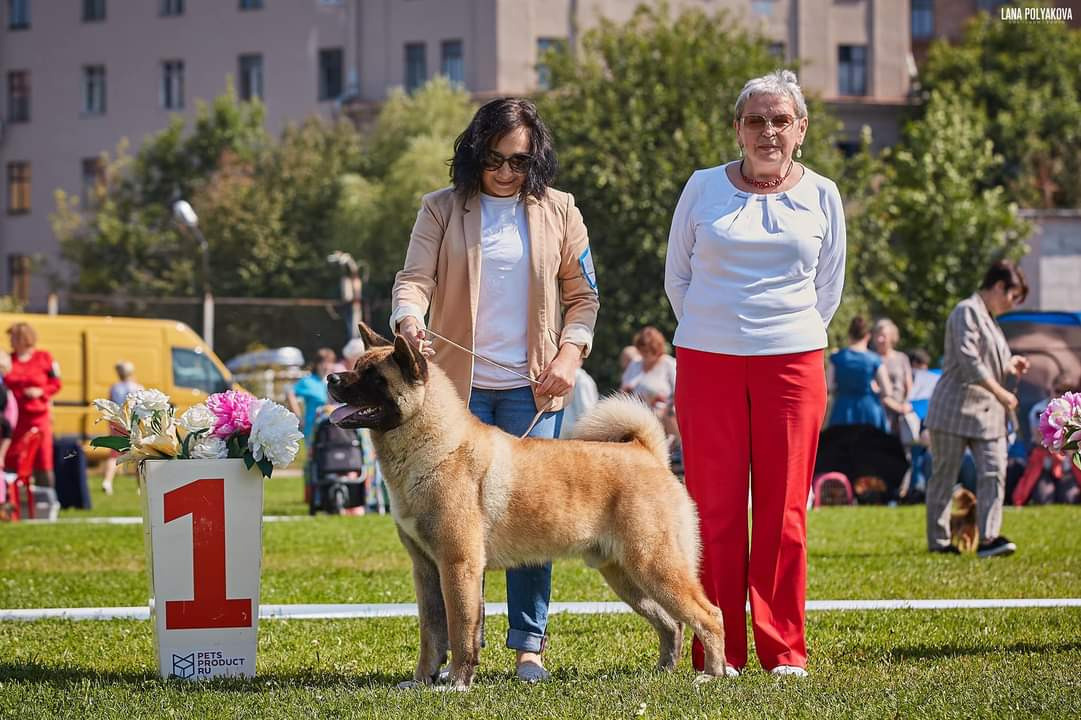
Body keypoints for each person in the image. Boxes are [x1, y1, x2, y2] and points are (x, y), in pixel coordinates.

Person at [392, 97, 599, 681]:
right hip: (457, 397)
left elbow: (585, 298)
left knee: (535, 524)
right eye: (494, 160)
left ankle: (528, 645)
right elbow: (414, 281)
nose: (507, 172)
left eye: (520, 162)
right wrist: (409, 320)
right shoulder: (440, 209)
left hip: (533, 392)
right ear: (473, 154)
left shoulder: (563, 211)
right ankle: (457, 651)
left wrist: (570, 353)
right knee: (450, 532)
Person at [664, 70, 845, 678]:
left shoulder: (823, 194)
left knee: (784, 511)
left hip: (793, 363)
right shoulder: (701, 188)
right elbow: (678, 277)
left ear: (801, 130)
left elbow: (828, 287)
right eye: (755, 120)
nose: (767, 131)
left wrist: (780, 332)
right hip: (706, 362)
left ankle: (782, 649)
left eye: (779, 120)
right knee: (711, 509)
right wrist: (719, 331)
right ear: (737, 129)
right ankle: (718, 650)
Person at [925, 260, 1030, 558]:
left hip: (988, 415)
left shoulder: (991, 319)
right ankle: (940, 542)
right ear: (998, 286)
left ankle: (989, 539)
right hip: (954, 409)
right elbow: (970, 362)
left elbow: (993, 360)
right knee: (944, 476)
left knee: (994, 472)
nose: (1012, 304)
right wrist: (1003, 394)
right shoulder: (966, 311)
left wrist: (1012, 363)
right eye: (1013, 295)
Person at [3, 322, 62, 494]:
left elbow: (56, 383)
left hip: (39, 417)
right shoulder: (8, 359)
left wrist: (41, 391)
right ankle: (11, 498)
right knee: (12, 456)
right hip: (15, 418)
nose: (10, 341)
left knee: (42, 459)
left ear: (24, 339)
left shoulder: (44, 358)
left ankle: (47, 498)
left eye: (13, 337)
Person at [827, 316, 898, 432]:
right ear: (867, 336)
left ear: (849, 335)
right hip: (869, 408)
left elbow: (829, 386)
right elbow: (888, 391)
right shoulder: (875, 359)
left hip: (843, 408)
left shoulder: (837, 358)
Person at [101, 361, 143, 495]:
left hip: (118, 422)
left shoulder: (114, 387)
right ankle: (140, 485)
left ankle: (107, 481)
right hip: (133, 423)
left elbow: (110, 406)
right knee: (139, 454)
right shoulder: (138, 387)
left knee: (114, 454)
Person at [871, 318, 914, 436]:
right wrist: (896, 407)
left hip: (903, 413)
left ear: (892, 337)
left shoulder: (902, 358)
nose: (880, 339)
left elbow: (909, 384)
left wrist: (906, 404)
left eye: (883, 336)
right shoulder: (871, 359)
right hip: (881, 412)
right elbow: (874, 388)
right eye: (877, 335)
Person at [287, 348, 337, 442]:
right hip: (313, 428)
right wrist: (298, 416)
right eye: (323, 362)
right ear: (317, 364)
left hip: (332, 427)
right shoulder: (308, 381)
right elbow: (290, 393)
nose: (326, 366)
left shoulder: (333, 381)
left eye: (329, 362)